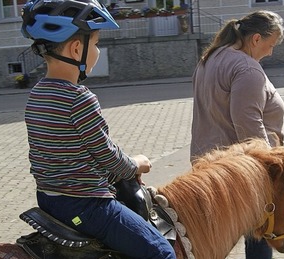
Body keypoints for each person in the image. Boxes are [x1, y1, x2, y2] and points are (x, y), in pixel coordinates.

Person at [20, 0, 176, 258]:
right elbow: (106, 155)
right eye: (95, 44)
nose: (98, 51)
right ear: (76, 48)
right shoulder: (79, 98)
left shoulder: (37, 94)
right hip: (86, 205)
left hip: (48, 198)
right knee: (162, 252)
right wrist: (135, 164)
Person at [189, 10, 284, 259]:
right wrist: (270, 169)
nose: (270, 51)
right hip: (239, 171)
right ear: (255, 39)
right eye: (270, 44)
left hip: (209, 165)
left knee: (215, 239)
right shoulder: (247, 68)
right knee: (260, 232)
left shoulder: (209, 59)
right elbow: (249, 127)